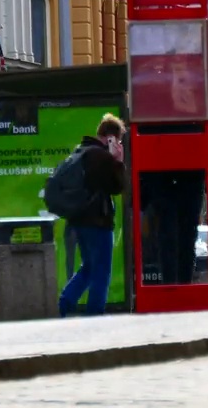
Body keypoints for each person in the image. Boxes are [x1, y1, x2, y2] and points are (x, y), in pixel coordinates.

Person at [58, 114, 127, 317]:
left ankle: (66, 301)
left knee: (89, 267)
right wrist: (118, 162)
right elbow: (117, 186)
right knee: (101, 271)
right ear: (110, 138)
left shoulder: (81, 151)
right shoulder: (101, 157)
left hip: (79, 221)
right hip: (98, 222)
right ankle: (95, 315)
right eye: (118, 140)